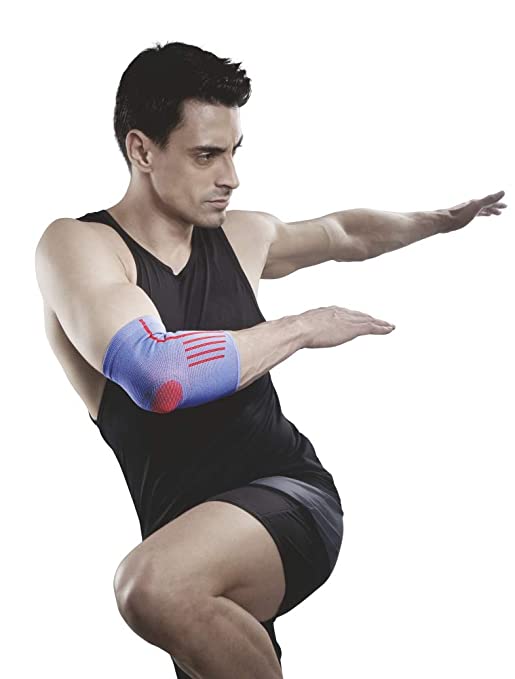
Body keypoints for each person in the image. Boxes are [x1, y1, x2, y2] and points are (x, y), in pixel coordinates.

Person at [34, 40, 505, 679]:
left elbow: (343, 233)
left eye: (234, 152)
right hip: (187, 543)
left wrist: (438, 220)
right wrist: (301, 327)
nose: (231, 177)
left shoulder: (240, 236)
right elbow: (159, 375)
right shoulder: (80, 247)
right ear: (142, 150)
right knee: (174, 595)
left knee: (151, 587)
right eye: (207, 155)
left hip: (287, 495)